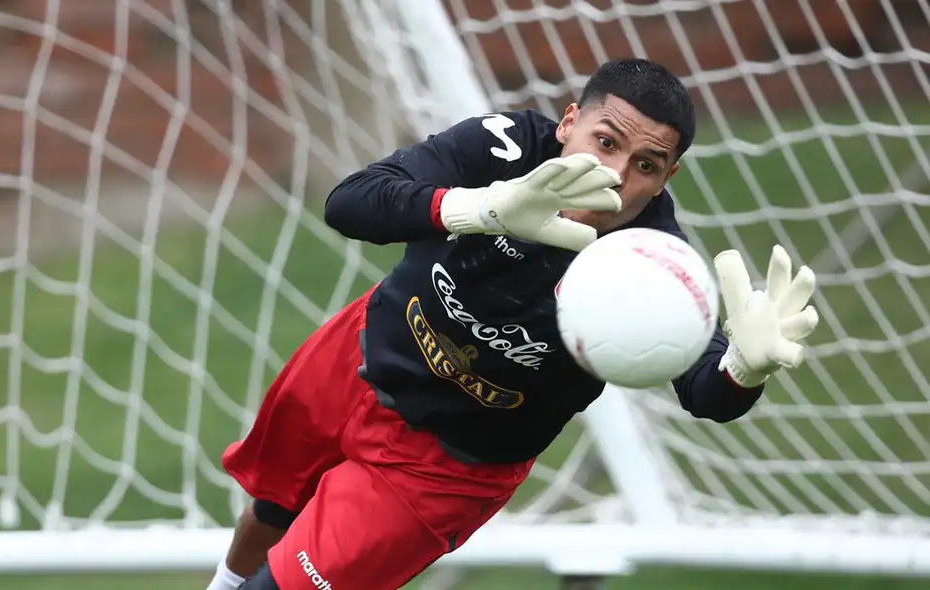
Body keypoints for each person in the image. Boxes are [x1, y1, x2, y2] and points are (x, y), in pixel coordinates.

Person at [207, 58, 819, 590]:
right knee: (271, 509)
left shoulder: (650, 260)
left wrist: (743, 367)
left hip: (443, 466)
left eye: (648, 165)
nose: (618, 176)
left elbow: (705, 392)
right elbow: (351, 201)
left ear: (667, 178)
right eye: (606, 143)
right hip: (359, 356)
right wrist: (480, 209)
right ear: (569, 122)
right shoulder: (505, 150)